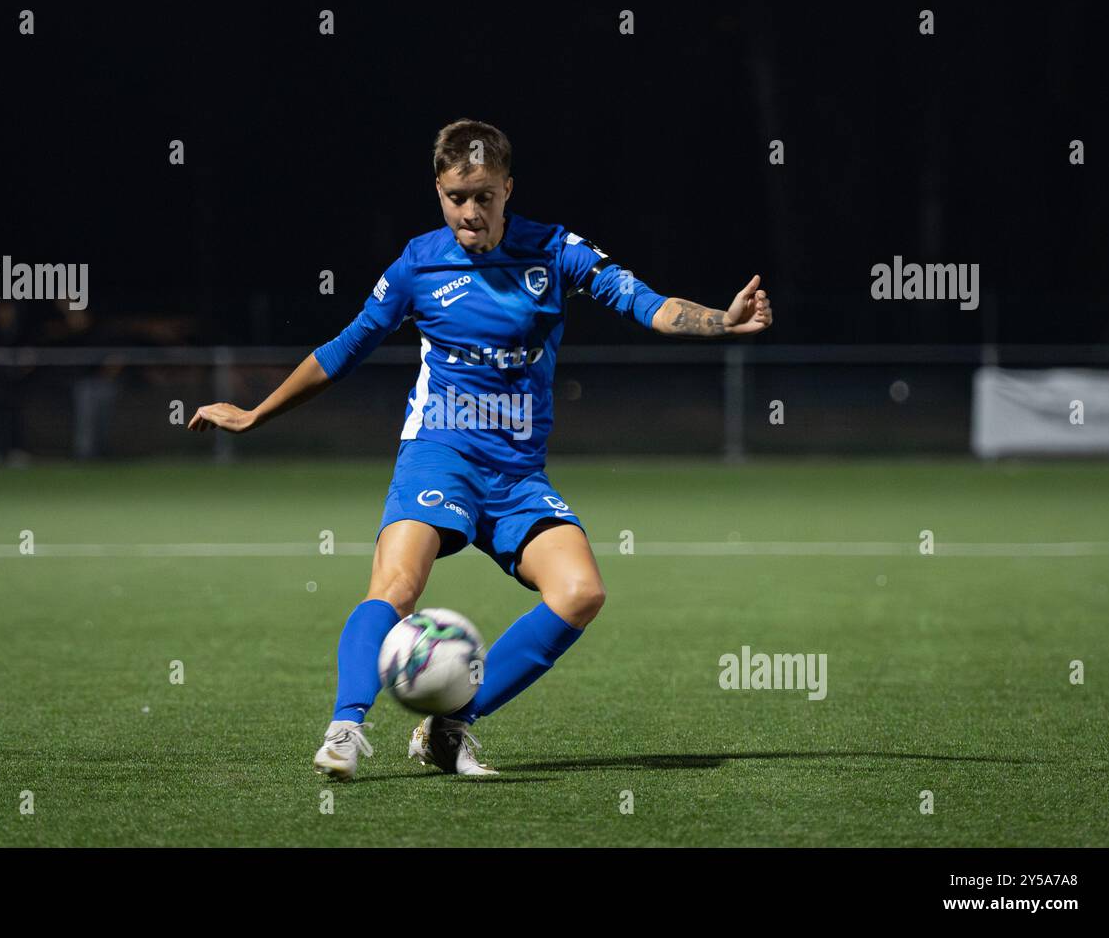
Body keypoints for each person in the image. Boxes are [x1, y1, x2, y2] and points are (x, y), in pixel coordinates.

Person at [188, 119, 773, 779]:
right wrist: (257, 414)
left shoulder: (554, 251)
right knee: (398, 584)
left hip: (517, 472)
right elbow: (345, 347)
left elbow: (644, 302)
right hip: (438, 450)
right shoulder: (418, 263)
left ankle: (450, 725)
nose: (469, 211)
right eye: (455, 196)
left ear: (508, 189)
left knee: (580, 591)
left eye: (484, 195)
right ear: (438, 190)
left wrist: (722, 321)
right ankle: (347, 727)